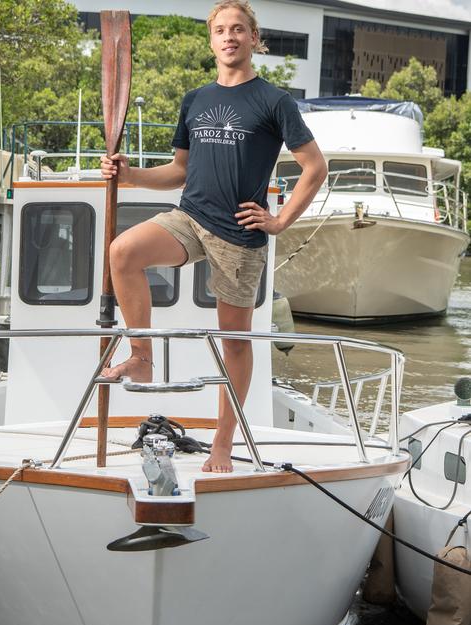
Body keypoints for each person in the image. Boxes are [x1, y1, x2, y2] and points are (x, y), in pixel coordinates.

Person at [100, 0, 327, 473]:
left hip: (238, 235)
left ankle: (223, 441)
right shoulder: (195, 100)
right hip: (191, 216)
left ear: (253, 39)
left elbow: (315, 167)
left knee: (235, 342)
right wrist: (129, 175)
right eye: (221, 30)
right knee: (122, 252)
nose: (229, 37)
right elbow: (180, 171)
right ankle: (141, 356)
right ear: (212, 41)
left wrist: (280, 221)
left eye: (238, 29)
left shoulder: (274, 100)